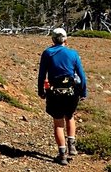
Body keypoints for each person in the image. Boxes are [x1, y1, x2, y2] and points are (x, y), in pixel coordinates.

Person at [37, 27, 87, 165]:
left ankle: (62, 154)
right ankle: (72, 144)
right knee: (70, 116)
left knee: (58, 123)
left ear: (53, 39)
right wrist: (83, 92)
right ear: (66, 40)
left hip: (54, 92)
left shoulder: (47, 53)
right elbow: (82, 76)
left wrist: (41, 91)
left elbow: (42, 75)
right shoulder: (73, 54)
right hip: (71, 92)